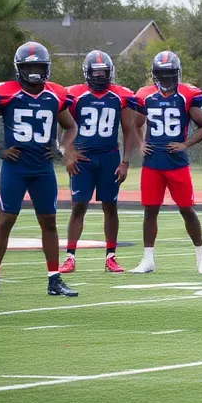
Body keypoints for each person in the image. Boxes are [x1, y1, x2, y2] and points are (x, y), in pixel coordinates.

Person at [0, 42, 80, 298]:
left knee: (49, 222)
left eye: (38, 66)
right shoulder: (7, 94)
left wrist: (63, 149)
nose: (34, 71)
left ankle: (54, 279)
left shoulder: (55, 95)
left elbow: (71, 127)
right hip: (15, 168)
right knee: (6, 220)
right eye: (29, 66)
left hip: (42, 169)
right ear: (19, 68)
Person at [130, 51, 202, 275]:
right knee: (150, 210)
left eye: (170, 74)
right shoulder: (145, 95)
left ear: (177, 74)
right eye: (162, 74)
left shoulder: (187, 95)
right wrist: (140, 143)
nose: (166, 78)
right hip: (152, 162)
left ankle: (201, 257)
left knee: (187, 209)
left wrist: (186, 144)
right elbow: (136, 124)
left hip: (177, 162)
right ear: (155, 74)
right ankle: (148, 259)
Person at [60, 50, 141, 274]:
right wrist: (68, 152)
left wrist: (125, 161)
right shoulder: (74, 95)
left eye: (103, 72)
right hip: (83, 157)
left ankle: (111, 257)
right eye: (95, 72)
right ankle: (70, 257)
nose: (99, 76)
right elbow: (64, 126)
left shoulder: (119, 96)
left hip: (109, 156)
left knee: (110, 206)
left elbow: (128, 130)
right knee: (78, 206)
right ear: (87, 73)